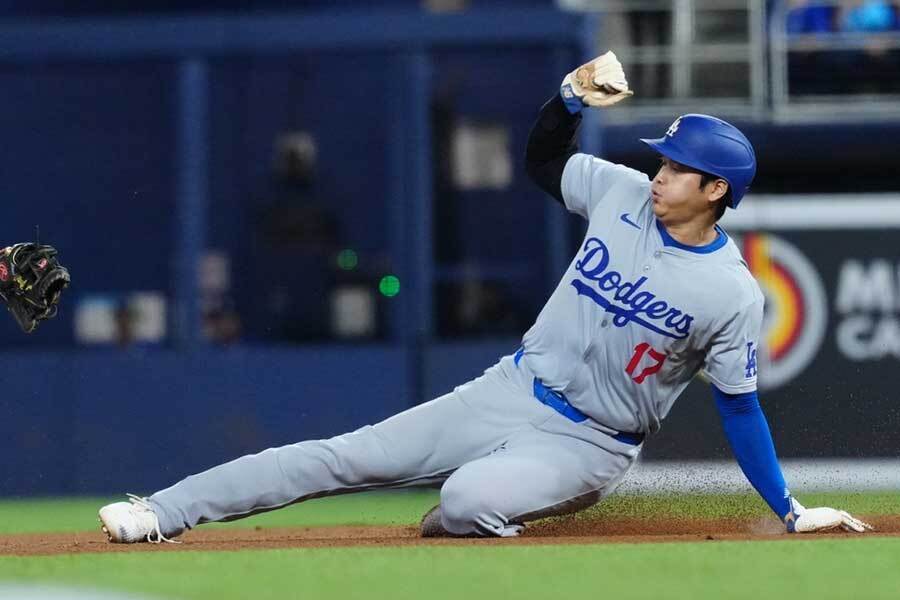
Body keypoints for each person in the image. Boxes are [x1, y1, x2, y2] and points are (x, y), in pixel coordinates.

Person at [98, 52, 872, 543]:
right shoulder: (621, 193)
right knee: (342, 457)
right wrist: (568, 97)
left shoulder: (731, 292)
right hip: (509, 387)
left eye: (676, 167)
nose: (660, 171)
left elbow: (740, 409)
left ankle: (476, 518)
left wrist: (790, 508)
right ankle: (161, 511)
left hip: (591, 444)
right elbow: (543, 161)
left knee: (465, 504)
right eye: (662, 161)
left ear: (715, 190)